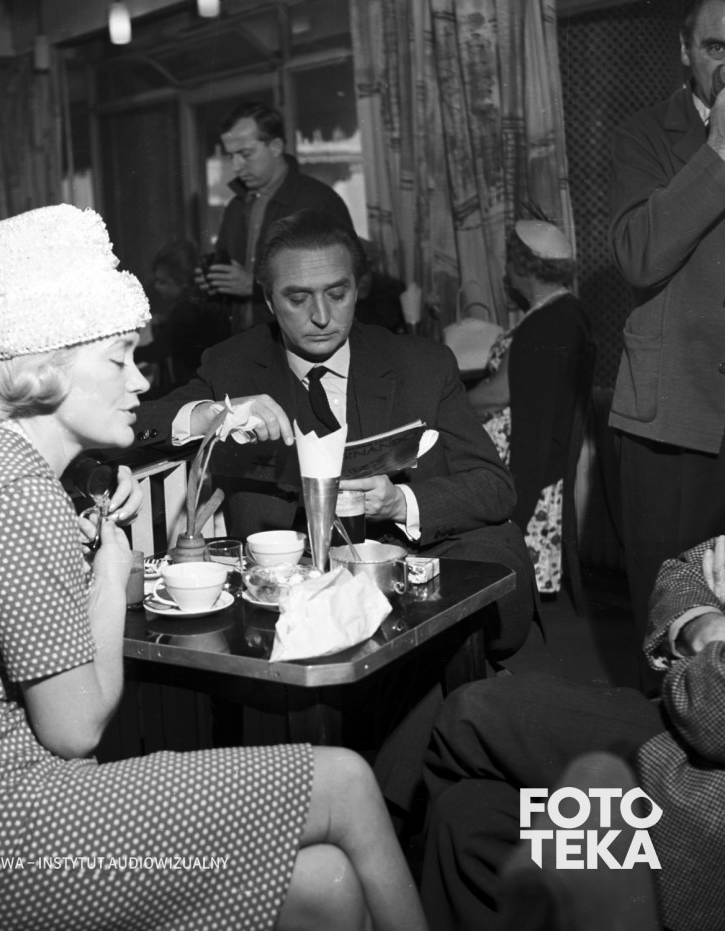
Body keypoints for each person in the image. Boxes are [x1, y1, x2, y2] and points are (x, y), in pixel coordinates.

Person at [0, 203, 425, 931]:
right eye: (118, 359)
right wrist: (111, 564)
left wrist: (89, 515)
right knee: (344, 779)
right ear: (45, 367)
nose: (138, 380)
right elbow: (75, 728)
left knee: (326, 884)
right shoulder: (17, 496)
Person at [135, 208, 537, 662]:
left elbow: (494, 486)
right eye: (297, 298)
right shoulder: (233, 365)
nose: (322, 316)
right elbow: (136, 421)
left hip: (405, 592)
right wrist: (211, 413)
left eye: (337, 294)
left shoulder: (421, 364)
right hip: (287, 602)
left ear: (357, 290)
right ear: (268, 300)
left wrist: (399, 502)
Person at [416, 533, 725, 931]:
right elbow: (686, 569)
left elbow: (710, 717)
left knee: (469, 714)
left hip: (701, 794)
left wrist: (712, 644)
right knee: (465, 815)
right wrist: (703, 624)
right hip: (687, 716)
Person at [609, 0, 725, 690]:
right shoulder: (644, 135)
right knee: (672, 627)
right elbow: (638, 256)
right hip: (673, 417)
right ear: (685, 51)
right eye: (717, 48)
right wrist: (718, 152)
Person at [469, 220, 591, 595]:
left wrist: (450, 401)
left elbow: (499, 393)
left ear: (526, 266)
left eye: (510, 261)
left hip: (524, 462)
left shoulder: (544, 323)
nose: (506, 270)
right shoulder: (564, 310)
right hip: (539, 453)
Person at [201, 101, 355, 333]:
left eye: (245, 154)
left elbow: (348, 283)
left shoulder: (319, 201)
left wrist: (253, 287)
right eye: (231, 156)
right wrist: (214, 280)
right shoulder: (236, 205)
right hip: (244, 339)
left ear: (275, 147)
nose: (236, 167)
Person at [136, 239, 229, 393]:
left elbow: (157, 350)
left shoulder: (185, 310)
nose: (157, 287)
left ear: (182, 283)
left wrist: (124, 352)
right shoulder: (197, 303)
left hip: (197, 387)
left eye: (162, 282)